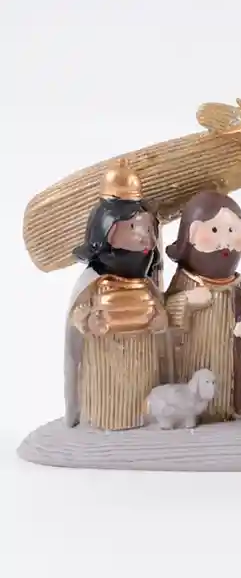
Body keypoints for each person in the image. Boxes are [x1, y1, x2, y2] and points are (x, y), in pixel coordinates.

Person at [65, 159, 168, 429]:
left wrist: (160, 319)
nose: (144, 237)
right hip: (105, 359)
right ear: (106, 232)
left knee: (141, 399)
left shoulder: (147, 283)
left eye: (148, 229)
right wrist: (88, 321)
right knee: (110, 401)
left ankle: (142, 420)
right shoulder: (93, 282)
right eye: (133, 228)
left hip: (141, 357)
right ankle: (106, 422)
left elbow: (162, 314)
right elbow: (77, 314)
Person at [164, 191, 241, 421]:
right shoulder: (185, 280)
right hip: (193, 360)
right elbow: (166, 313)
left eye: (232, 231)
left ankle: (230, 409)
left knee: (226, 390)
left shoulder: (237, 284)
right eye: (214, 230)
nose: (224, 242)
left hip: (229, 362)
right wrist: (186, 301)